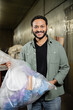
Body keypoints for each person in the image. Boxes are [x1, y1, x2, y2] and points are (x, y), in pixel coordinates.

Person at [19, 15, 70, 110]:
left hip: (52, 96)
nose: (39, 30)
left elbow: (65, 67)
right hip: (32, 95)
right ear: (32, 28)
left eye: (42, 26)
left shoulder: (57, 46)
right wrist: (13, 66)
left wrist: (53, 82)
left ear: (46, 27)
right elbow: (21, 69)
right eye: (36, 27)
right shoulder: (25, 48)